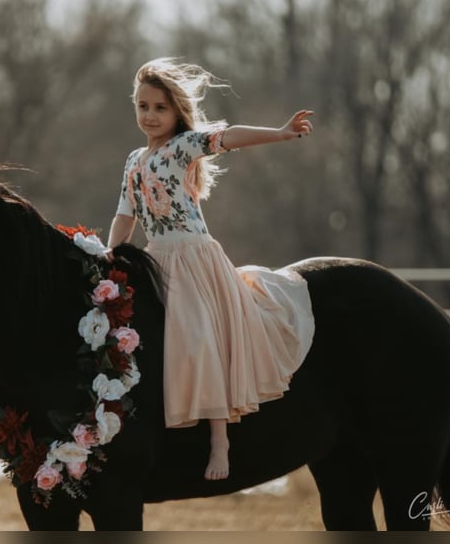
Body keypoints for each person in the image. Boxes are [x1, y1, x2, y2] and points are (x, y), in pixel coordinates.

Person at [105, 57, 315, 481]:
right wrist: (109, 257)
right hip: (156, 259)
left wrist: (279, 132)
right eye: (143, 106)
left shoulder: (182, 147)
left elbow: (228, 136)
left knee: (201, 337)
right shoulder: (132, 161)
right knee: (154, 341)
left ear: (176, 112)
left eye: (160, 108)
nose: (150, 115)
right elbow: (125, 215)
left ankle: (220, 441)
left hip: (195, 259)